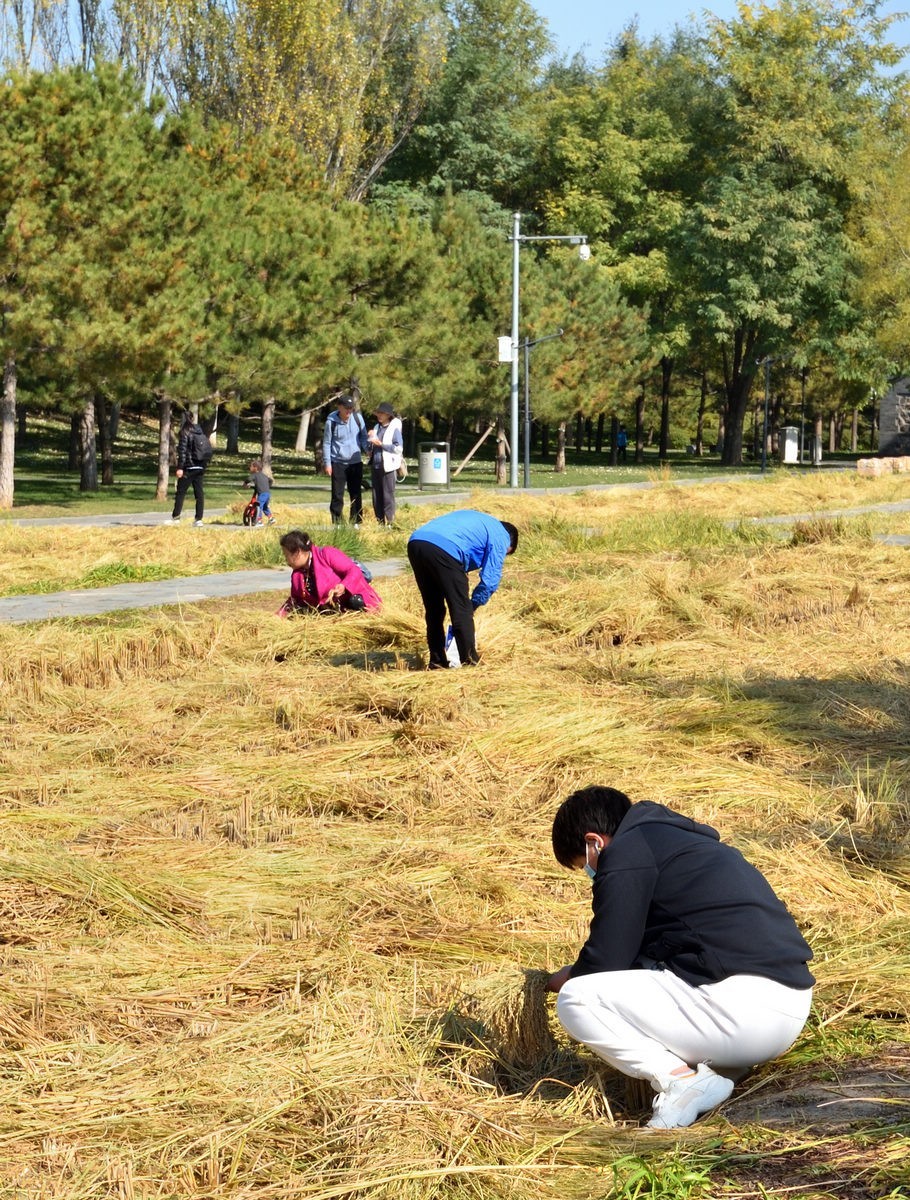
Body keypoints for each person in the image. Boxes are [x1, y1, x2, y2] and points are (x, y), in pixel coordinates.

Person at [546, 786, 814, 1130]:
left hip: (745, 1016)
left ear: (595, 841)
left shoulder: (627, 851)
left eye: (585, 865)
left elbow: (607, 959)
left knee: (577, 999)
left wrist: (569, 976)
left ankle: (682, 1081)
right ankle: (716, 1073)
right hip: (788, 1012)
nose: (591, 873)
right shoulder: (681, 844)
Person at [407, 509, 518, 669]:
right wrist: (473, 605)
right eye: (506, 553)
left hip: (417, 543)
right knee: (461, 609)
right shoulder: (502, 535)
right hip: (445, 549)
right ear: (510, 543)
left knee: (434, 609)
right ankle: (470, 662)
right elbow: (490, 581)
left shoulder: (479, 522)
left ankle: (437, 661)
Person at [276, 530, 380, 616]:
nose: (286, 560)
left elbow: (353, 570)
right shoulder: (297, 575)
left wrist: (344, 585)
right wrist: (279, 615)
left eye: (286, 555)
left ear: (298, 552)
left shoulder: (327, 554)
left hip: (357, 604)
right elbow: (295, 600)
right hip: (332, 614)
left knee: (355, 602)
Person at [322, 394, 368, 525]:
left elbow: (363, 437)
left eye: (351, 408)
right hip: (338, 462)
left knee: (356, 493)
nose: (349, 411)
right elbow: (327, 443)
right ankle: (337, 523)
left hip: (355, 462)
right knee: (337, 495)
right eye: (346, 408)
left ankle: (356, 522)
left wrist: (367, 449)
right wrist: (327, 463)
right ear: (339, 407)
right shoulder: (331, 422)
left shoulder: (358, 418)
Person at [171, 412, 212, 526]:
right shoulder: (199, 431)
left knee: (181, 492)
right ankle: (198, 519)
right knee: (199, 493)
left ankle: (176, 517)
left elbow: (182, 451)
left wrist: (180, 468)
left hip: (189, 467)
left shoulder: (185, 432)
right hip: (200, 466)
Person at [367, 402, 404, 526]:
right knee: (376, 496)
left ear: (388, 415)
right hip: (376, 464)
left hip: (388, 466)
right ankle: (380, 522)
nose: (379, 415)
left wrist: (382, 445)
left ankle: (390, 522)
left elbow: (399, 448)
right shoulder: (376, 427)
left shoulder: (394, 429)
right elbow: (371, 445)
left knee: (388, 495)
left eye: (382, 413)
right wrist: (370, 442)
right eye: (378, 412)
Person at [245, 460, 275, 525]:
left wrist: (245, 483)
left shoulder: (255, 475)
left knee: (258, 506)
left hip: (262, 494)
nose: (249, 468)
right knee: (265, 507)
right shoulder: (264, 475)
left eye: (251, 467)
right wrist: (267, 487)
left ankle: (259, 521)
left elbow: (249, 479)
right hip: (267, 493)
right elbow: (270, 480)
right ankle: (271, 518)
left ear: (255, 468)